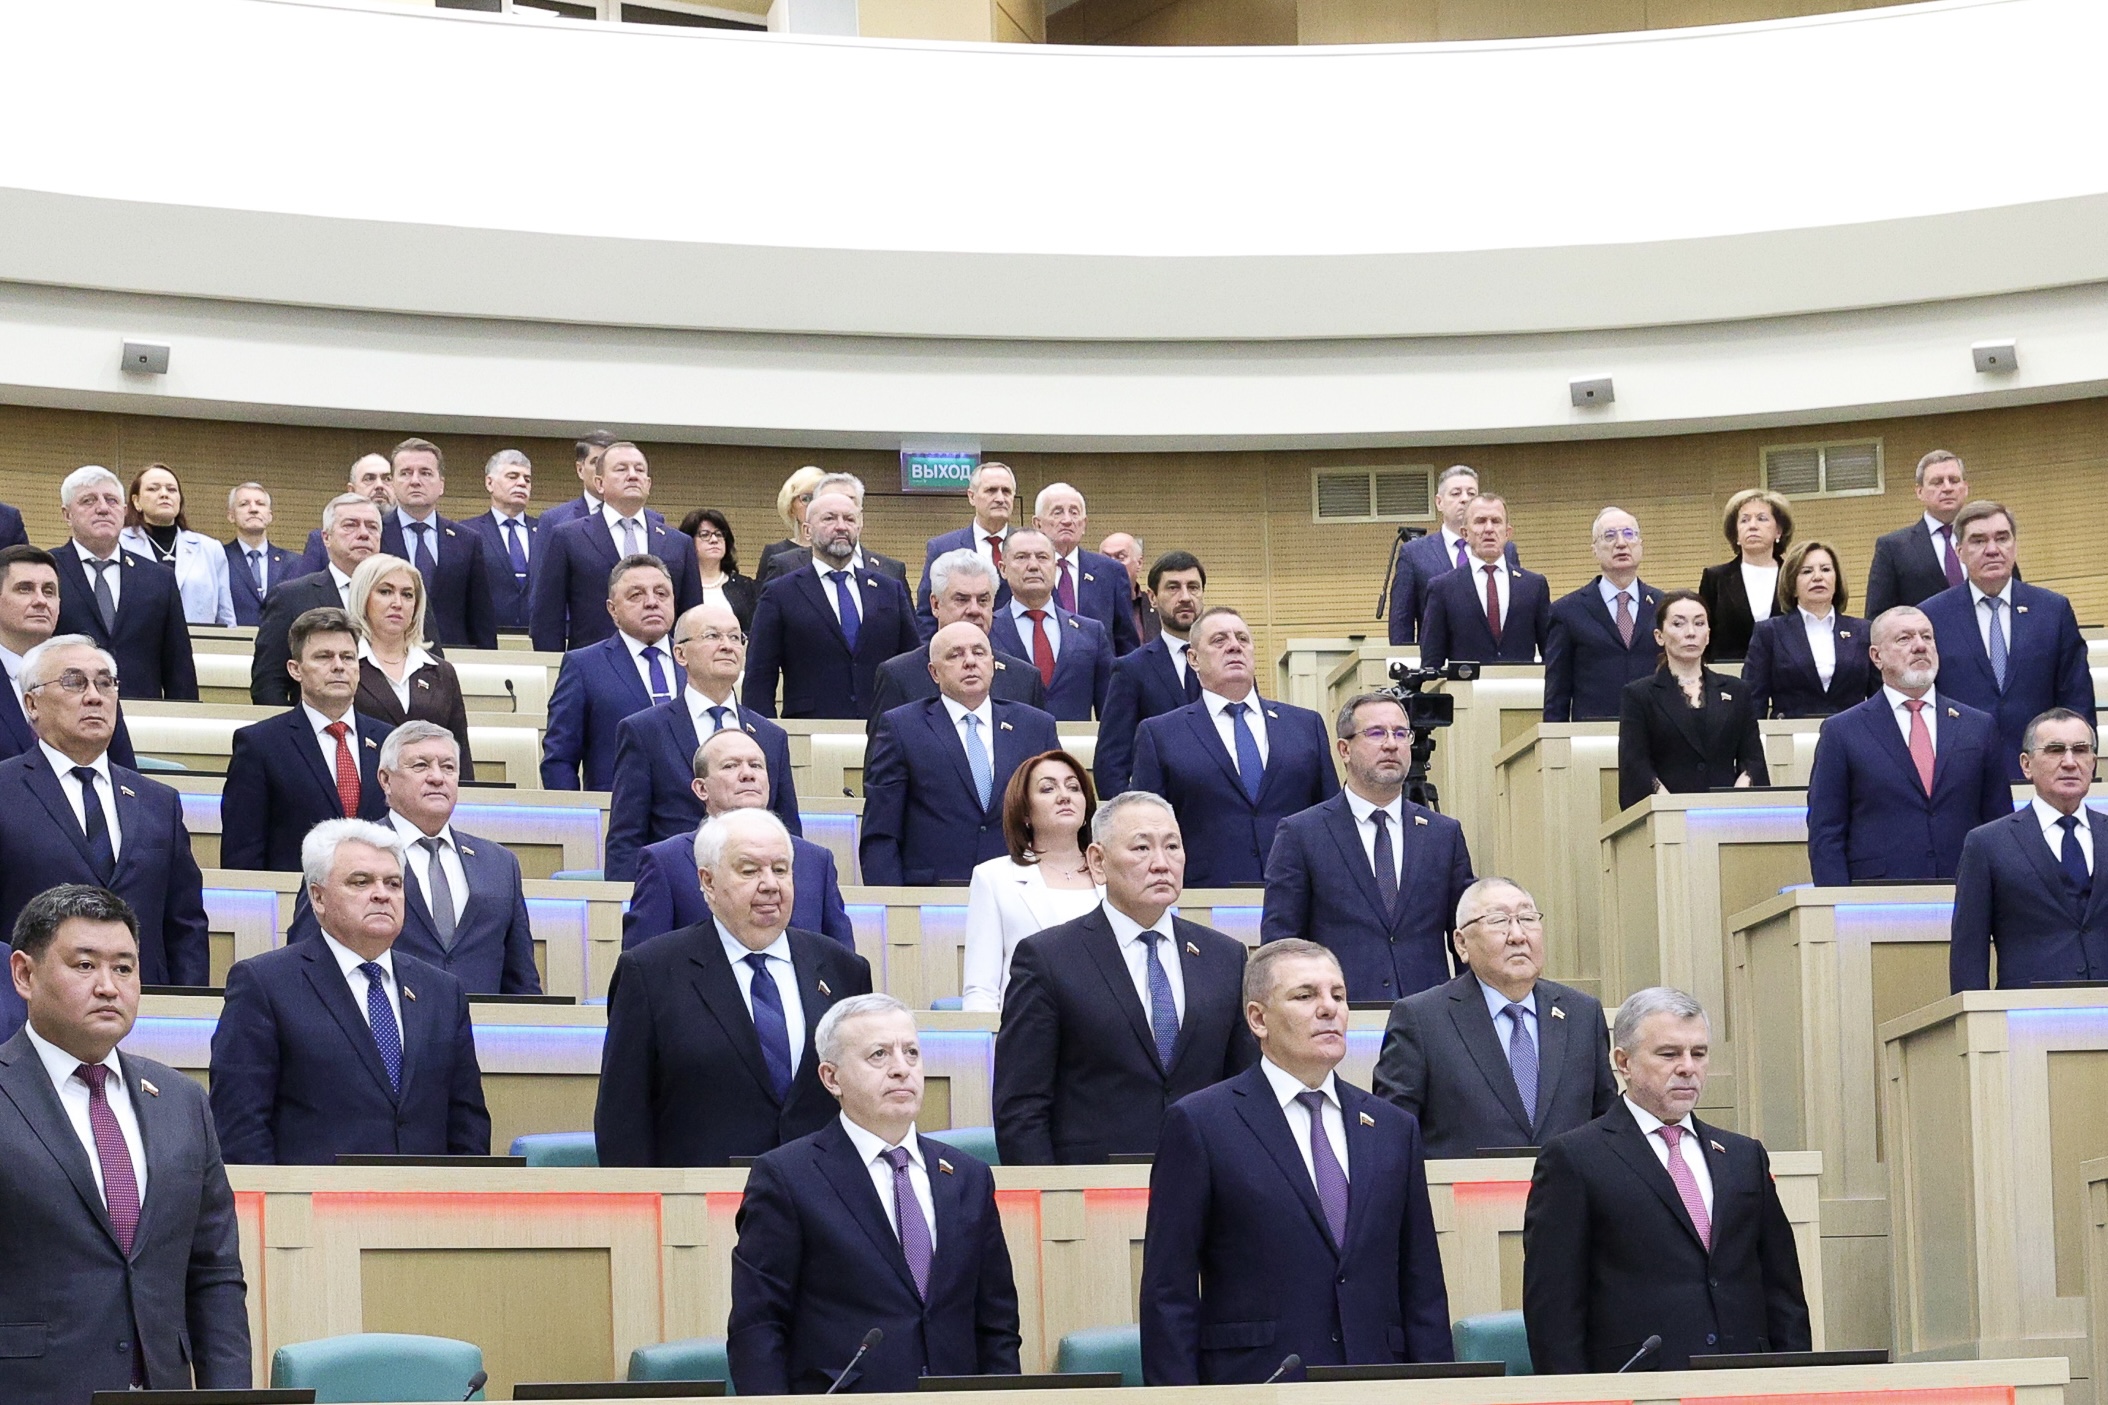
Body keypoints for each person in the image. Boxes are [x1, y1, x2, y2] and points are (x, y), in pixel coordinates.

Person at [1139, 940, 1452, 1384]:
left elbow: (1422, 1286)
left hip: (1377, 1380)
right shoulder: (1201, 1123)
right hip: (1257, 1384)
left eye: (1338, 995)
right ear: (1258, 1019)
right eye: (1305, 995)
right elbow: (1168, 1292)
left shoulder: (1392, 1128)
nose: (1329, 1009)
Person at [0, 885, 250, 1401]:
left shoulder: (181, 1100)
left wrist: (228, 1395)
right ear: (25, 974)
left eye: (123, 968)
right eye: (84, 965)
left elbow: (214, 1273)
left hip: (162, 1387)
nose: (108, 987)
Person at [728, 994, 1021, 1394]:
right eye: (879, 1055)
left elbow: (997, 1324)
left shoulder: (969, 1177)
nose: (901, 1068)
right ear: (831, 1078)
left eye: (911, 1052)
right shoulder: (787, 1177)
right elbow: (758, 1326)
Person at [1523, 987, 1810, 1373]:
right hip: (1639, 1383)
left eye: (1699, 1053)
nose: (1688, 1067)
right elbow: (1553, 1311)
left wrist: (1795, 1383)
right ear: (1623, 1062)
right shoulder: (1573, 1158)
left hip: (1744, 1379)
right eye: (1669, 1054)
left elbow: (1784, 1292)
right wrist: (1578, 1396)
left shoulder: (1744, 1157)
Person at [596, 808, 873, 1167]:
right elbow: (622, 1119)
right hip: (698, 1193)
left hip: (820, 1190)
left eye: (780, 870)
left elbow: (865, 1098)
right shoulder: (650, 972)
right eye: (749, 870)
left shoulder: (843, 971)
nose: (770, 884)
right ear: (708, 881)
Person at [992, 792, 1257, 1164]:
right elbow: (1021, 1107)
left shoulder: (1225, 957)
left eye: (1172, 847)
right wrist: (1049, 1192)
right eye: (1141, 848)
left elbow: (1245, 1089)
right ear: (1097, 861)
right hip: (1092, 1183)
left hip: (1206, 1177)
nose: (1161, 863)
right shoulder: (1048, 959)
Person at [210, 819, 490, 1163]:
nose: (382, 894)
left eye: (393, 883)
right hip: (313, 1195)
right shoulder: (265, 984)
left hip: (426, 1195)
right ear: (318, 897)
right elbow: (241, 1129)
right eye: (361, 881)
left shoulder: (443, 992)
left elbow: (468, 1126)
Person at [0, 636, 210, 1038]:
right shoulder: (5, 790)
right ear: (31, 704)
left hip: (145, 1020)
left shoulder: (158, 801)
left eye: (105, 683)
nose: (95, 696)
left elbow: (184, 923)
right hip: (24, 1023)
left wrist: (185, 1003)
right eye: (74, 682)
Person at [287, 722, 541, 994]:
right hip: (380, 1016)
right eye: (421, 766)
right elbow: (306, 961)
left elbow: (522, 980)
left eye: (448, 767)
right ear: (386, 780)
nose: (437, 777)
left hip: (483, 1021)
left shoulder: (499, 863)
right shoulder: (345, 853)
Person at [1371, 878, 1617, 1158]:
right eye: (1499, 920)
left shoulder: (1583, 1014)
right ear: (1461, 944)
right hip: (1461, 1186)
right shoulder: (1421, 1018)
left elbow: (1606, 1123)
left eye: (1527, 918)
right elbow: (1393, 1135)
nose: (1518, 935)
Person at [1261, 692, 1472, 1003]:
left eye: (1400, 733)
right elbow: (1282, 946)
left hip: (1430, 1015)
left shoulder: (1443, 834)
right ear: (1344, 749)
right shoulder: (1301, 833)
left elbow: (1466, 936)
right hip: (1339, 1015)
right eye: (1376, 733)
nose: (1391, 744)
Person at [1130, 607, 1338, 886]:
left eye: (1242, 639)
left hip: (1299, 893)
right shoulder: (1160, 734)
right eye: (1219, 640)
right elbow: (1146, 827)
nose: (1234, 646)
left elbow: (1330, 819)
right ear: (1193, 659)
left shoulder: (1305, 726)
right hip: (1204, 897)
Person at [1805, 607, 2007, 887]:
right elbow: (1826, 832)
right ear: (1876, 656)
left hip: (1967, 889)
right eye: (1904, 639)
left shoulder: (1978, 726)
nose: (1920, 646)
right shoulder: (1842, 731)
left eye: (1927, 637)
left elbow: (2000, 824)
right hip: (1877, 896)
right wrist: (1837, 902)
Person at [605, 601, 800, 882]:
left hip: (754, 888)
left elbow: (788, 830)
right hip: (675, 886)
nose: (727, 646)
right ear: (680, 653)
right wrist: (628, 898)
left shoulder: (771, 735)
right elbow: (626, 838)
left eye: (736, 637)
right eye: (712, 636)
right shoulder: (644, 731)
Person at [861, 623, 1061, 886]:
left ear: (993, 664)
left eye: (979, 652)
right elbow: (881, 832)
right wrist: (892, 901)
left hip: (1019, 888)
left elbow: (1056, 819)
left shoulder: (1035, 726)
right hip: (932, 893)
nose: (970, 662)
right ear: (934, 672)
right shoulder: (902, 727)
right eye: (955, 655)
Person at [622, 727, 852, 951]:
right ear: (701, 788)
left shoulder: (816, 860)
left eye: (756, 765)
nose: (747, 774)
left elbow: (841, 962)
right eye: (731, 766)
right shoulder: (665, 862)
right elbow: (643, 964)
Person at [1919, 500, 2093, 782]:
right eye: (1978, 540)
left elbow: (2077, 696)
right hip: (1959, 774)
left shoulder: (2053, 610)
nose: (1992, 549)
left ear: (2014, 545)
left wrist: (2078, 764)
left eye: (2002, 538)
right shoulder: (1931, 616)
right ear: (1958, 550)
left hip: (2042, 773)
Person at [222, 608, 391, 872]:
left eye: (348, 657)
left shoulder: (389, 740)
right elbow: (242, 854)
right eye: (324, 657)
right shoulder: (260, 745)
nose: (338, 665)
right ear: (295, 669)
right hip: (296, 894)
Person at [1951, 708, 2108, 991]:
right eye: (2055, 750)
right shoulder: (1987, 844)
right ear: (2026, 764)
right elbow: (1969, 955)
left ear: (2093, 762)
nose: (2070, 762)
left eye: (2080, 750)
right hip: (2026, 1011)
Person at [743, 489, 921, 718]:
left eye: (849, 519)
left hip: (884, 725)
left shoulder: (889, 590)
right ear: (807, 530)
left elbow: (912, 666)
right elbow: (759, 675)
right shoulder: (780, 593)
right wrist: (761, 731)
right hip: (810, 726)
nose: (841, 526)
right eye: (829, 518)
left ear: (859, 528)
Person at [961, 751, 1102, 1012]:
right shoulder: (993, 878)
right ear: (1025, 812)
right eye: (1048, 788)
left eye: (1073, 787)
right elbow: (981, 990)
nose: (1064, 796)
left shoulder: (1114, 874)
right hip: (1029, 1026)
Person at [530, 441, 702, 652]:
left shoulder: (679, 543)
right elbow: (547, 617)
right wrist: (556, 664)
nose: (632, 475)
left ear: (648, 484)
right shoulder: (567, 537)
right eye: (621, 469)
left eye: (639, 470)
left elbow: (692, 617)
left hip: (660, 662)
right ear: (599, 483)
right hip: (592, 662)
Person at [51, 466, 196, 702]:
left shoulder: (159, 578)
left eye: (111, 500)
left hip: (143, 712)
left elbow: (178, 666)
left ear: (124, 511)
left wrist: (185, 714)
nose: (103, 508)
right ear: (67, 514)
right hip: (67, 709)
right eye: (88, 501)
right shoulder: (47, 571)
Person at [540, 555, 680, 791]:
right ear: (613, 610)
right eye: (636, 595)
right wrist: (579, 812)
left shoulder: (696, 661)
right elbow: (559, 760)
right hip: (615, 808)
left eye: (661, 593)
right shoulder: (584, 666)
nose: (652, 602)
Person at [1617, 590, 1767, 811]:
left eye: (1699, 623)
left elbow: (1753, 759)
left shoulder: (1737, 691)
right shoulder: (1638, 695)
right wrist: (1670, 808)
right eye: (1678, 624)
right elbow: (1635, 765)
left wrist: (1736, 798)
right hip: (1666, 814)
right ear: (1659, 636)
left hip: (1728, 813)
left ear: (1708, 634)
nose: (1690, 632)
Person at [0, 546, 139, 768]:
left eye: (49, 591)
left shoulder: (91, 675)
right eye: (25, 589)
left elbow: (123, 771)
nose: (40, 600)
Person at [868, 550, 1045, 719]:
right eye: (961, 599)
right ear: (935, 605)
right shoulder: (899, 676)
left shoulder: (1024, 680)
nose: (974, 609)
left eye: (983, 600)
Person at [250, 493, 383, 706]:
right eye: (350, 525)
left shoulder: (406, 594)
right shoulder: (290, 597)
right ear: (326, 538)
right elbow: (269, 683)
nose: (364, 534)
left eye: (372, 527)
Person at [348, 553, 474, 778]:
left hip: (430, 791)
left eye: (407, 594)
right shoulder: (345, 665)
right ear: (363, 597)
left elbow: (459, 754)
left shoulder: (441, 672)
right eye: (385, 592)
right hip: (361, 789)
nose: (397, 603)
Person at [1094, 550, 1206, 798]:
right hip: (1158, 808)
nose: (1185, 597)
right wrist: (1131, 813)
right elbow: (1111, 762)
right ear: (1152, 598)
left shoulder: (1229, 664)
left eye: (1193, 587)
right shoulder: (1131, 669)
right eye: (1173, 588)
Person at [1544, 507, 1661, 723]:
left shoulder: (1664, 606)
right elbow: (1557, 693)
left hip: (1655, 729)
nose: (1621, 543)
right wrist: (1555, 737)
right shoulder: (1567, 611)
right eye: (1609, 536)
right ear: (1595, 550)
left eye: (1629, 534)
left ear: (1640, 545)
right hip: (1592, 733)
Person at [379, 438, 497, 651]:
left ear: (441, 484)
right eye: (405, 473)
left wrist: (487, 660)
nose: (415, 481)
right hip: (388, 652)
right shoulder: (375, 534)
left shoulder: (467, 541)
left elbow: (481, 617)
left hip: (452, 657)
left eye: (425, 473)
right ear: (392, 482)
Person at [1386, 465, 1521, 646]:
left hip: (1496, 656)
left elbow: (1517, 609)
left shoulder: (1504, 549)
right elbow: (1401, 621)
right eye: (1456, 493)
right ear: (1439, 502)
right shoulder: (1414, 554)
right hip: (1438, 657)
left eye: (1471, 494)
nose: (1465, 499)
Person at [989, 527, 1113, 721]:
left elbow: (1109, 710)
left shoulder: (1091, 633)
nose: (1033, 566)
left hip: (1074, 741)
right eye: (1021, 557)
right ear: (1003, 569)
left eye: (1042, 557)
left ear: (1055, 567)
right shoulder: (986, 631)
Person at [1742, 540, 1875, 718]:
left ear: (1836, 581)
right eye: (1806, 571)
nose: (1818, 577)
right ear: (1792, 585)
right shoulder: (1769, 632)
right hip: (1789, 731)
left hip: (1852, 729)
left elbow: (1879, 696)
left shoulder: (1864, 631)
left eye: (1825, 569)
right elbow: (1753, 700)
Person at [1418, 494, 1551, 668]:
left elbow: (1551, 653)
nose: (1489, 529)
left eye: (1496, 521)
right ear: (1465, 533)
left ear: (1507, 532)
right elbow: (1431, 662)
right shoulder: (1442, 588)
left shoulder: (1534, 586)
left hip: (1520, 684)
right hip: (1466, 684)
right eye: (1480, 521)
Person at [118, 463, 235, 626]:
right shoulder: (119, 543)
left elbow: (226, 615)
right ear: (136, 501)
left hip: (198, 640)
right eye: (153, 489)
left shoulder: (210, 548)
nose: (164, 494)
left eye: (172, 489)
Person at [1030, 482, 1141, 655]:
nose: (1067, 520)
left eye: (1074, 512)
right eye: (1058, 512)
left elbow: (1126, 642)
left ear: (1084, 524)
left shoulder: (1111, 573)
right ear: (1037, 524)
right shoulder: (1026, 571)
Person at [1864, 449, 1974, 619]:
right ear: (1919, 491)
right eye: (1937, 482)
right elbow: (1878, 618)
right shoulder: (1893, 548)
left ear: (1965, 488)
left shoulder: (1990, 540)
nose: (1947, 488)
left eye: (1954, 480)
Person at [915, 461, 1017, 640]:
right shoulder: (942, 547)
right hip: (960, 650)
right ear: (971, 497)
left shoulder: (1030, 548)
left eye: (1006, 491)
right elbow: (926, 616)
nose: (1000, 498)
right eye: (991, 490)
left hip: (1014, 653)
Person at [755, 473, 911, 587]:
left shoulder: (891, 571)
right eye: (831, 513)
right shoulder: (784, 566)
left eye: (848, 504)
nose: (840, 523)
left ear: (860, 518)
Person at [1696, 488, 1792, 662]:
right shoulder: (1715, 578)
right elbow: (1703, 634)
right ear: (1736, 534)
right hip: (1729, 672)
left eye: (1762, 518)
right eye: (1744, 520)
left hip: (1786, 672)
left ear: (1778, 531)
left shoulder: (1794, 577)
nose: (1752, 526)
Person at [462, 448, 539, 633]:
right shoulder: (467, 532)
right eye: (513, 477)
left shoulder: (546, 531)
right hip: (485, 636)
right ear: (490, 483)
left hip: (538, 636)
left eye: (527, 479)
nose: (522, 483)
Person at [538, 431, 666, 535]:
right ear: (580, 469)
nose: (601, 470)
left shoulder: (653, 520)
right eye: (596, 463)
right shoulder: (555, 520)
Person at [293, 452, 396, 573]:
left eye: (387, 479)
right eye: (369, 479)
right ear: (351, 490)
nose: (379, 485)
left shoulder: (407, 535)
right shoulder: (321, 541)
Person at [224, 481, 294, 627]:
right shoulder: (219, 558)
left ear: (270, 516)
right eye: (244, 504)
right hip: (234, 639)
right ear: (231, 516)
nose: (253, 509)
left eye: (260, 504)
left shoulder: (293, 562)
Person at [681, 507, 760, 634]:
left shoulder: (746, 587)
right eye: (705, 535)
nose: (714, 540)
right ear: (689, 541)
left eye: (719, 534)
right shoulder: (679, 587)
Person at [754, 465, 825, 583]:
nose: (814, 505)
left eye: (820, 497)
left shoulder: (838, 550)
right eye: (806, 499)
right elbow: (763, 593)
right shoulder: (775, 552)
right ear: (791, 507)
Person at [1099, 531, 1157, 647]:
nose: (1112, 564)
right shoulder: (1087, 605)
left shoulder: (1156, 607)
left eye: (1120, 558)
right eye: (1106, 558)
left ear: (1139, 563)